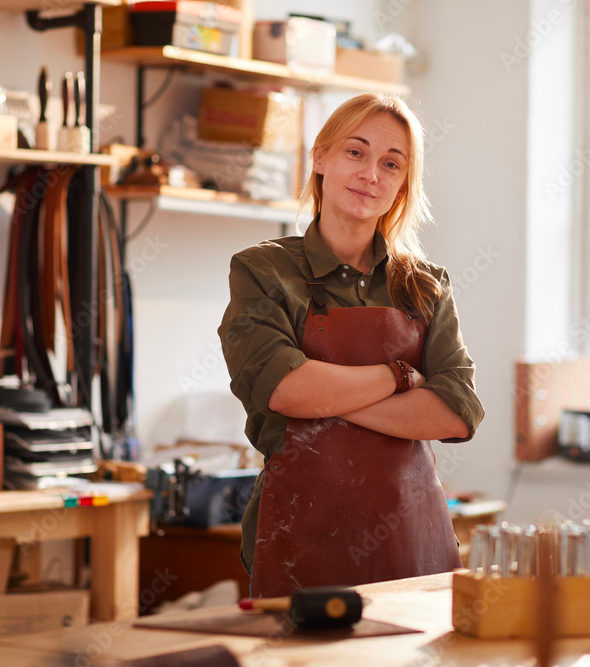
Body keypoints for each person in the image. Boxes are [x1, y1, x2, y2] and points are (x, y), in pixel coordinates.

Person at [218, 92, 485, 598]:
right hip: (300, 535)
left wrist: (327, 397)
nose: (371, 174)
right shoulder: (262, 270)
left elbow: (457, 411)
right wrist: (400, 378)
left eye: (391, 163)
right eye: (355, 153)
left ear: (404, 182)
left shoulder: (426, 285)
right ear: (320, 158)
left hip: (412, 540)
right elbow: (284, 388)